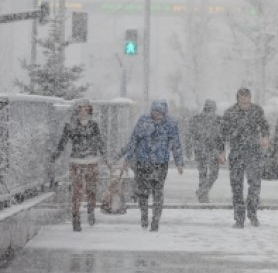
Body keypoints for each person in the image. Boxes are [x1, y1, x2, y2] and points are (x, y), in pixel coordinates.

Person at [119, 100, 184, 231]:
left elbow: (176, 144)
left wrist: (179, 162)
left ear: (164, 113)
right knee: (142, 193)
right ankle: (144, 215)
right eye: (155, 112)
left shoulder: (170, 124)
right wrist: (128, 158)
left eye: (160, 113)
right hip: (143, 162)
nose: (157, 115)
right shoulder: (143, 121)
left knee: (158, 193)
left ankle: (155, 220)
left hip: (160, 163)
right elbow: (134, 140)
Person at [52, 99, 110, 231]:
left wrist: (106, 157)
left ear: (89, 111)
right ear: (76, 111)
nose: (83, 111)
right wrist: (55, 156)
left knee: (91, 190)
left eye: (86, 109)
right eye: (81, 109)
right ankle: (76, 217)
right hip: (76, 162)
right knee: (77, 191)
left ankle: (90, 211)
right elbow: (63, 142)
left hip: (92, 161)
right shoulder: (70, 125)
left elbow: (100, 141)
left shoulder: (94, 125)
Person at [221, 88, 270, 228]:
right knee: (236, 186)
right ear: (237, 100)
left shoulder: (257, 110)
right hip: (237, 152)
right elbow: (221, 134)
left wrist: (265, 137)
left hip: (253, 152)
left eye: (247, 102)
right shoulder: (230, 113)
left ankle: (252, 213)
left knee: (255, 184)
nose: (245, 105)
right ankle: (239, 218)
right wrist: (221, 151)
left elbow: (265, 126)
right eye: (242, 102)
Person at [188, 99, 224, 203]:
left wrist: (190, 148)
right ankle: (203, 193)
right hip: (208, 150)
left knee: (205, 174)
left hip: (205, 149)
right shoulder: (216, 119)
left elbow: (191, 135)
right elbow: (221, 137)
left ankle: (202, 192)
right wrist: (221, 150)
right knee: (210, 174)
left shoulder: (197, 119)